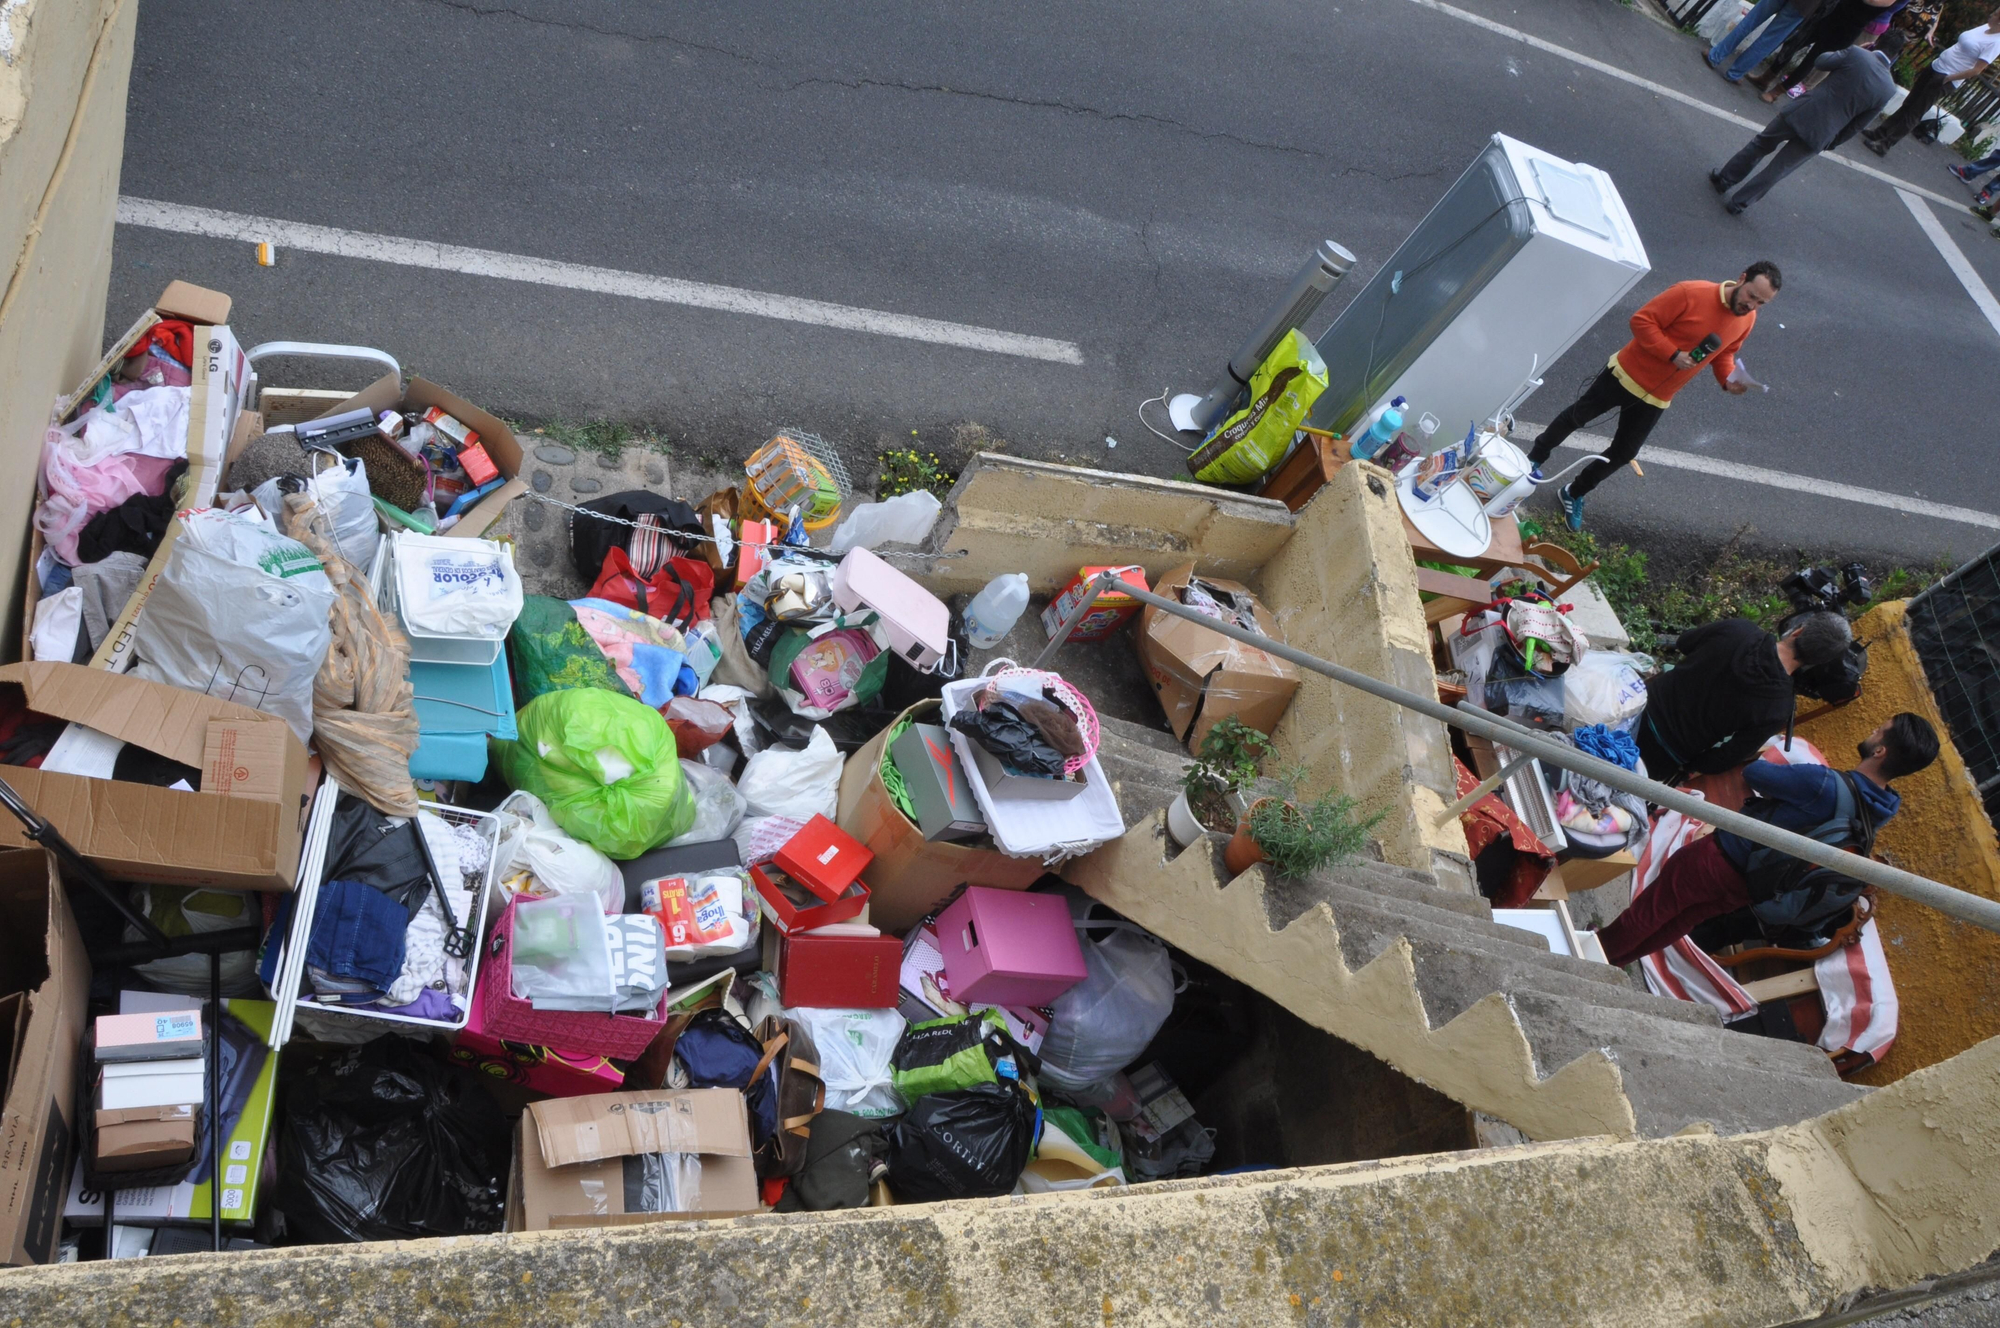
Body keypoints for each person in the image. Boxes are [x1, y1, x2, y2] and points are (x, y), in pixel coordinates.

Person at [1596, 712, 1939, 969]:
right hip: (1754, 884)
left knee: (1654, 908)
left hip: (1723, 857)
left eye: (1880, 729)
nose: (1873, 729)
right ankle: (1614, 960)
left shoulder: (1825, 784)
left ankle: (1594, 953)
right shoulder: (1877, 814)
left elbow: (1756, 774)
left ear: (1880, 750)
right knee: (1679, 920)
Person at [1523, 265, 1777, 530]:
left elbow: (1725, 353)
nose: (1752, 305)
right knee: (1576, 417)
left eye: (1761, 302)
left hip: (1657, 396)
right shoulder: (1690, 292)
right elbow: (1642, 321)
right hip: (1624, 374)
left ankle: (1574, 492)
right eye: (1751, 295)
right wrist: (1673, 354)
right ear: (1742, 278)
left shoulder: (1747, 319)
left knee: (1624, 453)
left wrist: (1728, 379)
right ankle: (1534, 459)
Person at [1635, 612, 1852, 787]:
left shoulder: (1739, 630)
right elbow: (1726, 757)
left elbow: (1684, 641)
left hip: (1634, 706)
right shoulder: (1778, 708)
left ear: (1798, 631)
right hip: (1660, 757)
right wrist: (1686, 764)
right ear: (1817, 662)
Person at [1712, 30, 1905, 212]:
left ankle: (1725, 179)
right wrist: (1832, 142)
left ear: (1876, 42)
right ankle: (1739, 204)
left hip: (1802, 111)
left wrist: (1856, 51)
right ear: (1897, 55)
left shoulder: (1857, 53)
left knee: (1761, 143)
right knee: (1779, 169)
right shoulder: (1888, 89)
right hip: (1825, 132)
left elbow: (1821, 62)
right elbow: (1858, 125)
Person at [1863, 6, 2000, 154]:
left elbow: (1976, 70)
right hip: (1937, 66)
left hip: (1946, 78)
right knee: (1909, 103)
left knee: (1914, 113)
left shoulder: (1995, 43)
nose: (1990, 15)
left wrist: (1948, 78)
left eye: (1995, 15)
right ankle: (1881, 132)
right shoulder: (1984, 28)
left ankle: (1885, 144)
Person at [1757, 0, 1906, 102]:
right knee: (1794, 42)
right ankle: (1766, 77)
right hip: (1832, 14)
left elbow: (1874, 2)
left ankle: (1776, 92)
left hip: (1847, 29)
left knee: (1811, 60)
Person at [1708, 0, 1828, 83]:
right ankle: (1734, 74)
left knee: (1749, 22)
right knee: (1768, 40)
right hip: (1804, 5)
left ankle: (1715, 56)